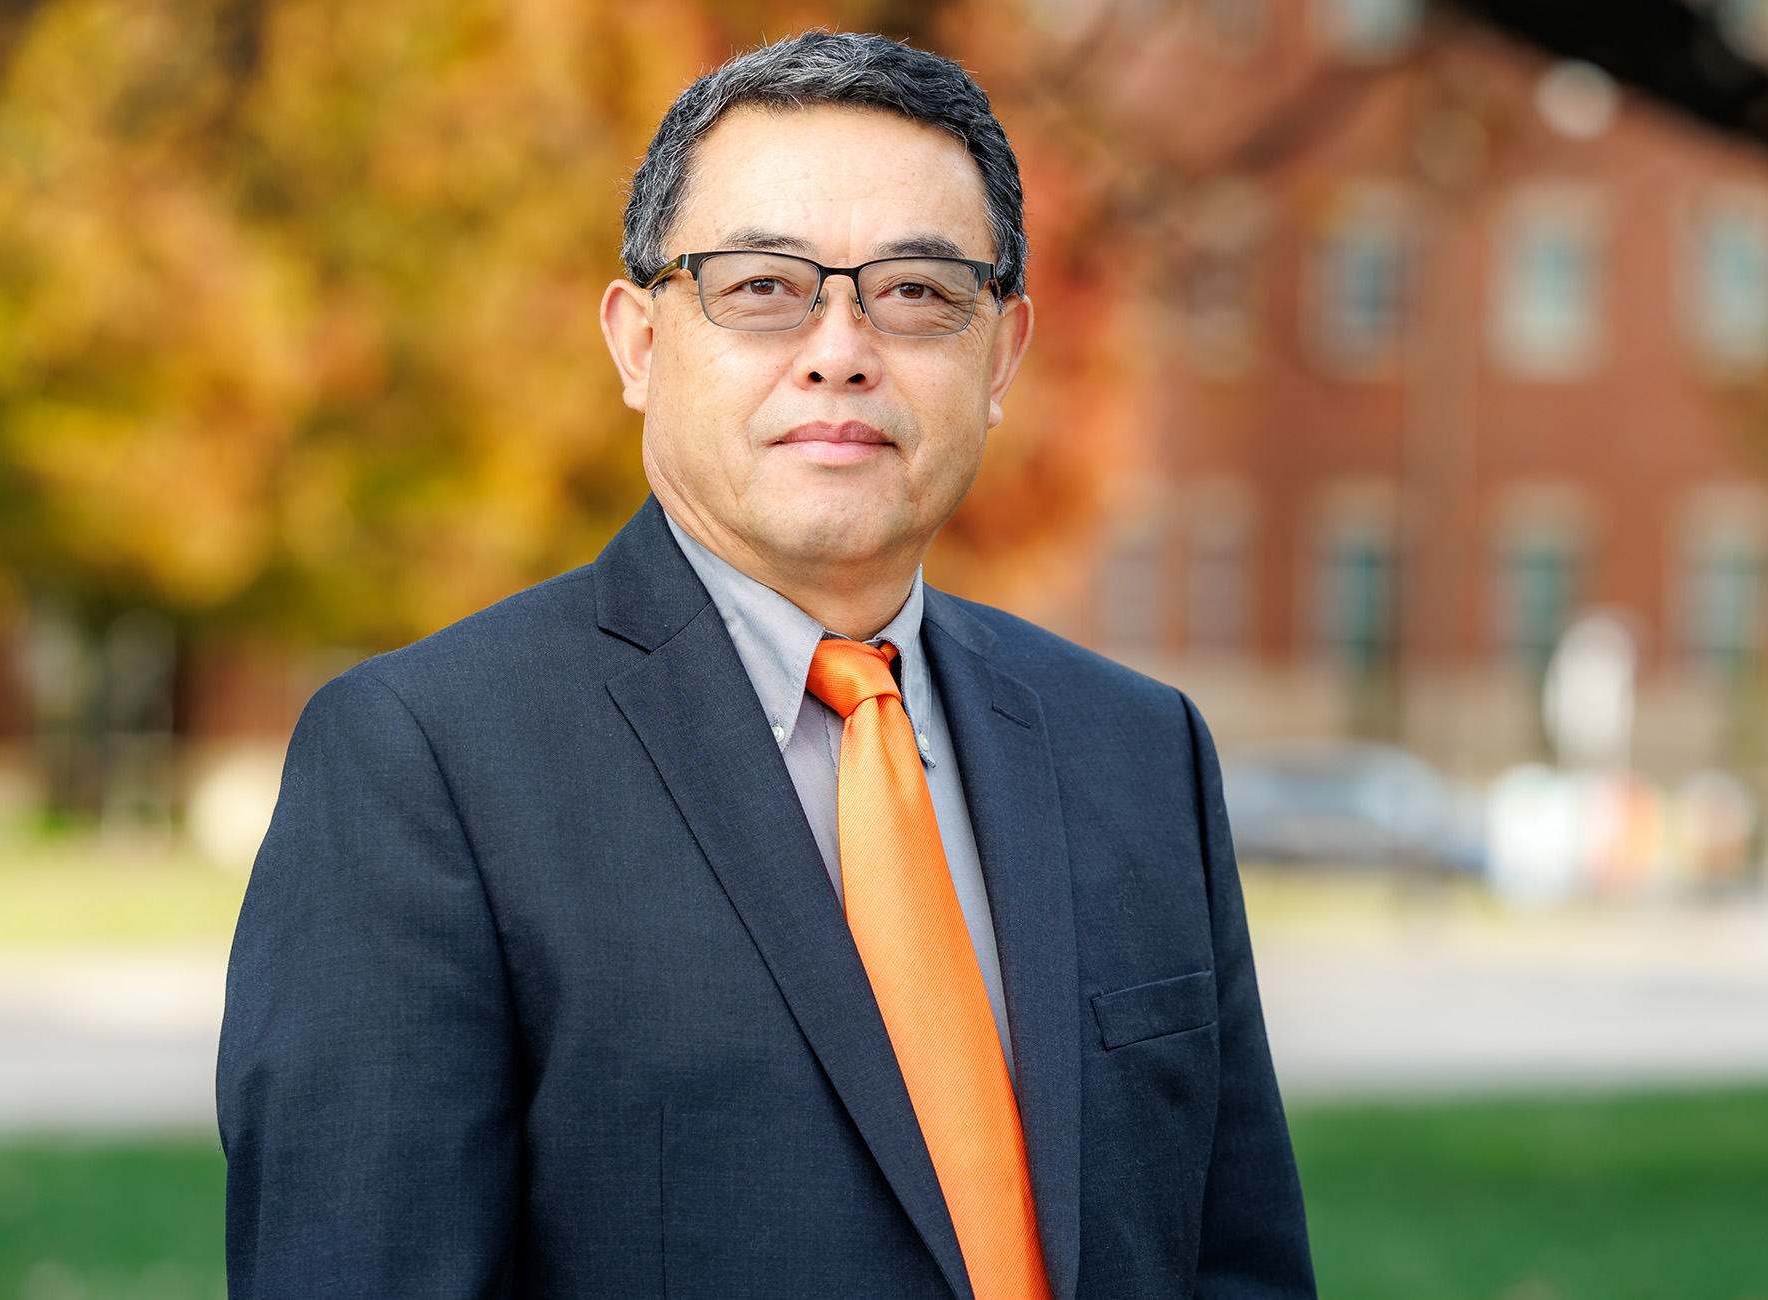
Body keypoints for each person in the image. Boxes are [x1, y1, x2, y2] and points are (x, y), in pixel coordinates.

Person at [218, 31, 1315, 1299]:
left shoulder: (1139, 750)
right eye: (759, 287)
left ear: (1002, 352)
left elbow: (1238, 1265)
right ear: (637, 343)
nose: (840, 347)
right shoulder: (425, 765)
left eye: (915, 292)